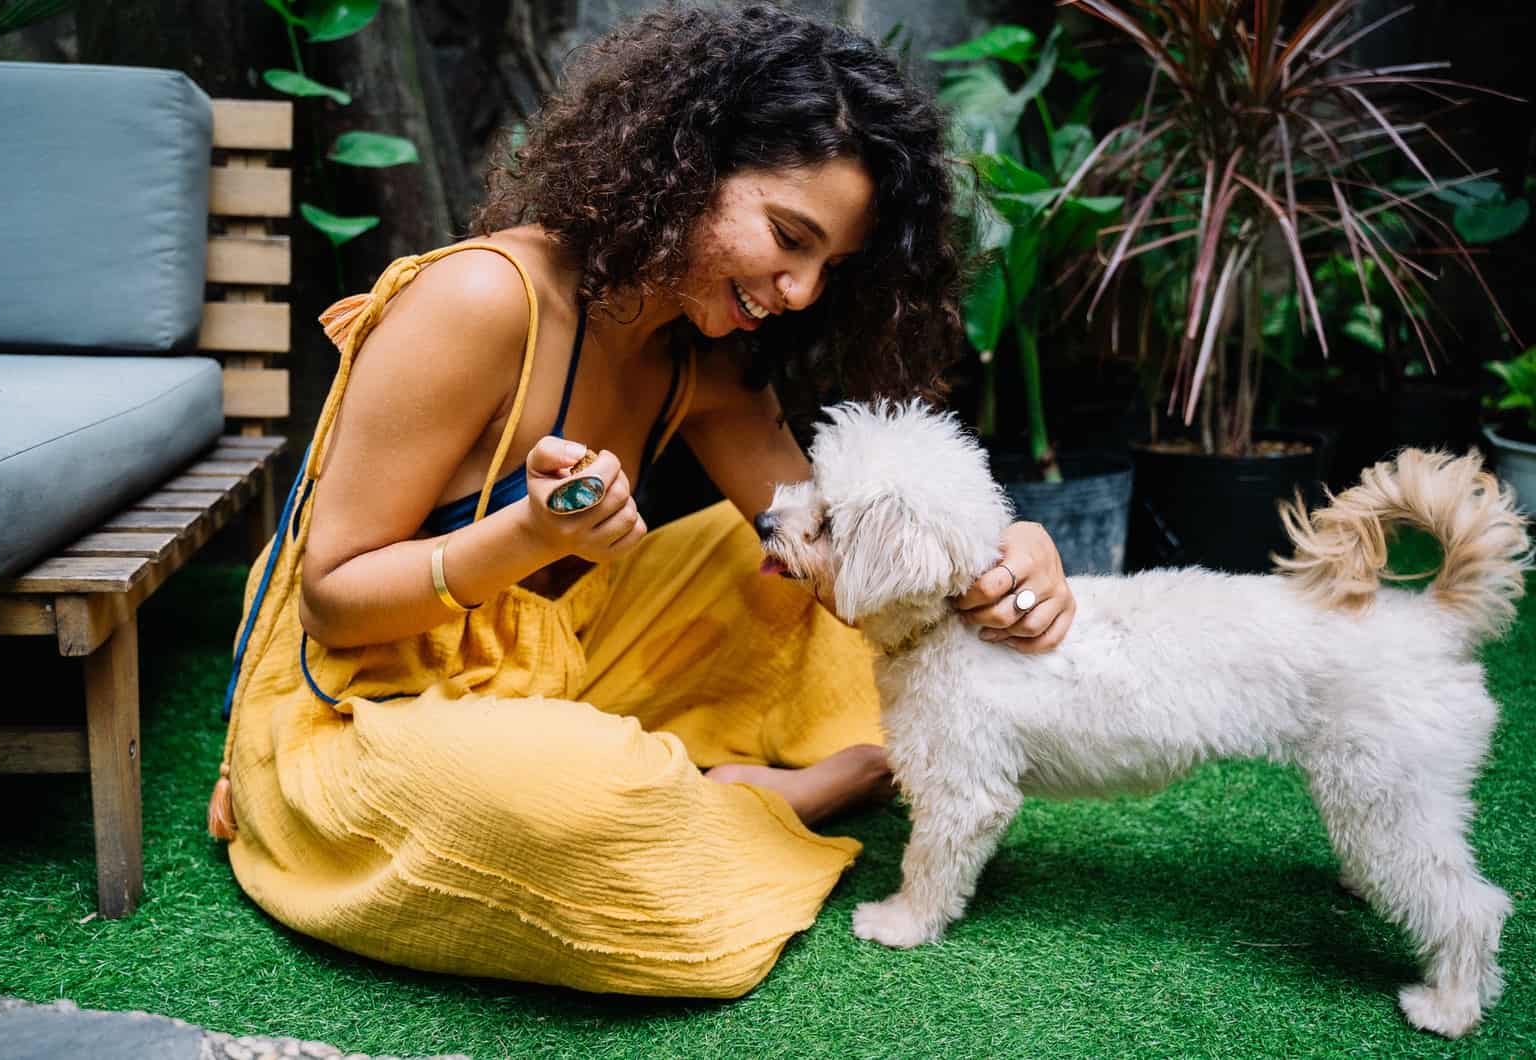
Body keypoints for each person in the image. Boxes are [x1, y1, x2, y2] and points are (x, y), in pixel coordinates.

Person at [209, 2, 1076, 998]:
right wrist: (528, 532)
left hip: (562, 660)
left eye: (827, 268)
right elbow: (332, 598)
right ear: (687, 161)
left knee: (817, 588)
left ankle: (812, 774)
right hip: (369, 706)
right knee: (579, 804)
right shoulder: (483, 302)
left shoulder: (702, 359)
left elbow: (847, 562)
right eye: (787, 237)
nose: (797, 291)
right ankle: (784, 788)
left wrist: (1007, 549)